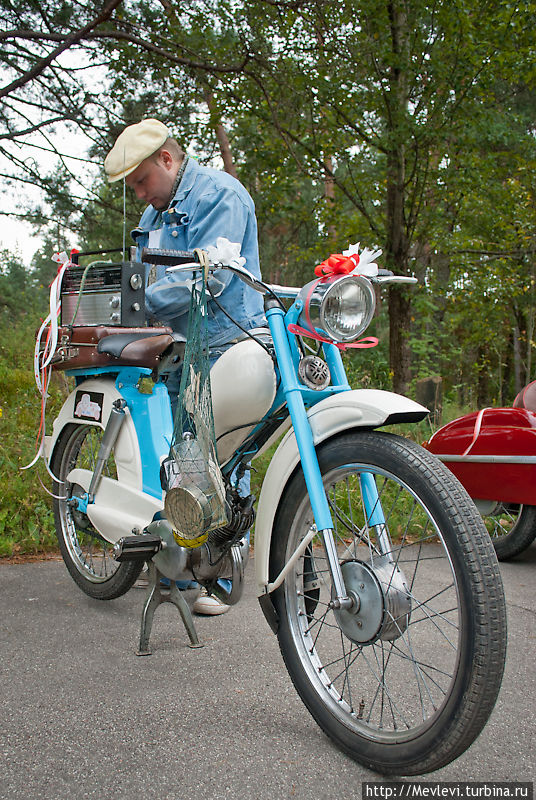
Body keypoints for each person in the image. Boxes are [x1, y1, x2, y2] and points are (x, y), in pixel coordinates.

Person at [104, 118, 265, 614]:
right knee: (186, 459)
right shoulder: (154, 217)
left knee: (226, 458)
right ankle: (188, 572)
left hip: (225, 341)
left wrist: (136, 305)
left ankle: (221, 574)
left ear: (168, 161)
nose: (140, 195)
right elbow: (145, 278)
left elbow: (206, 277)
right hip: (177, 348)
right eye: (132, 187)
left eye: (142, 182)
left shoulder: (221, 196)